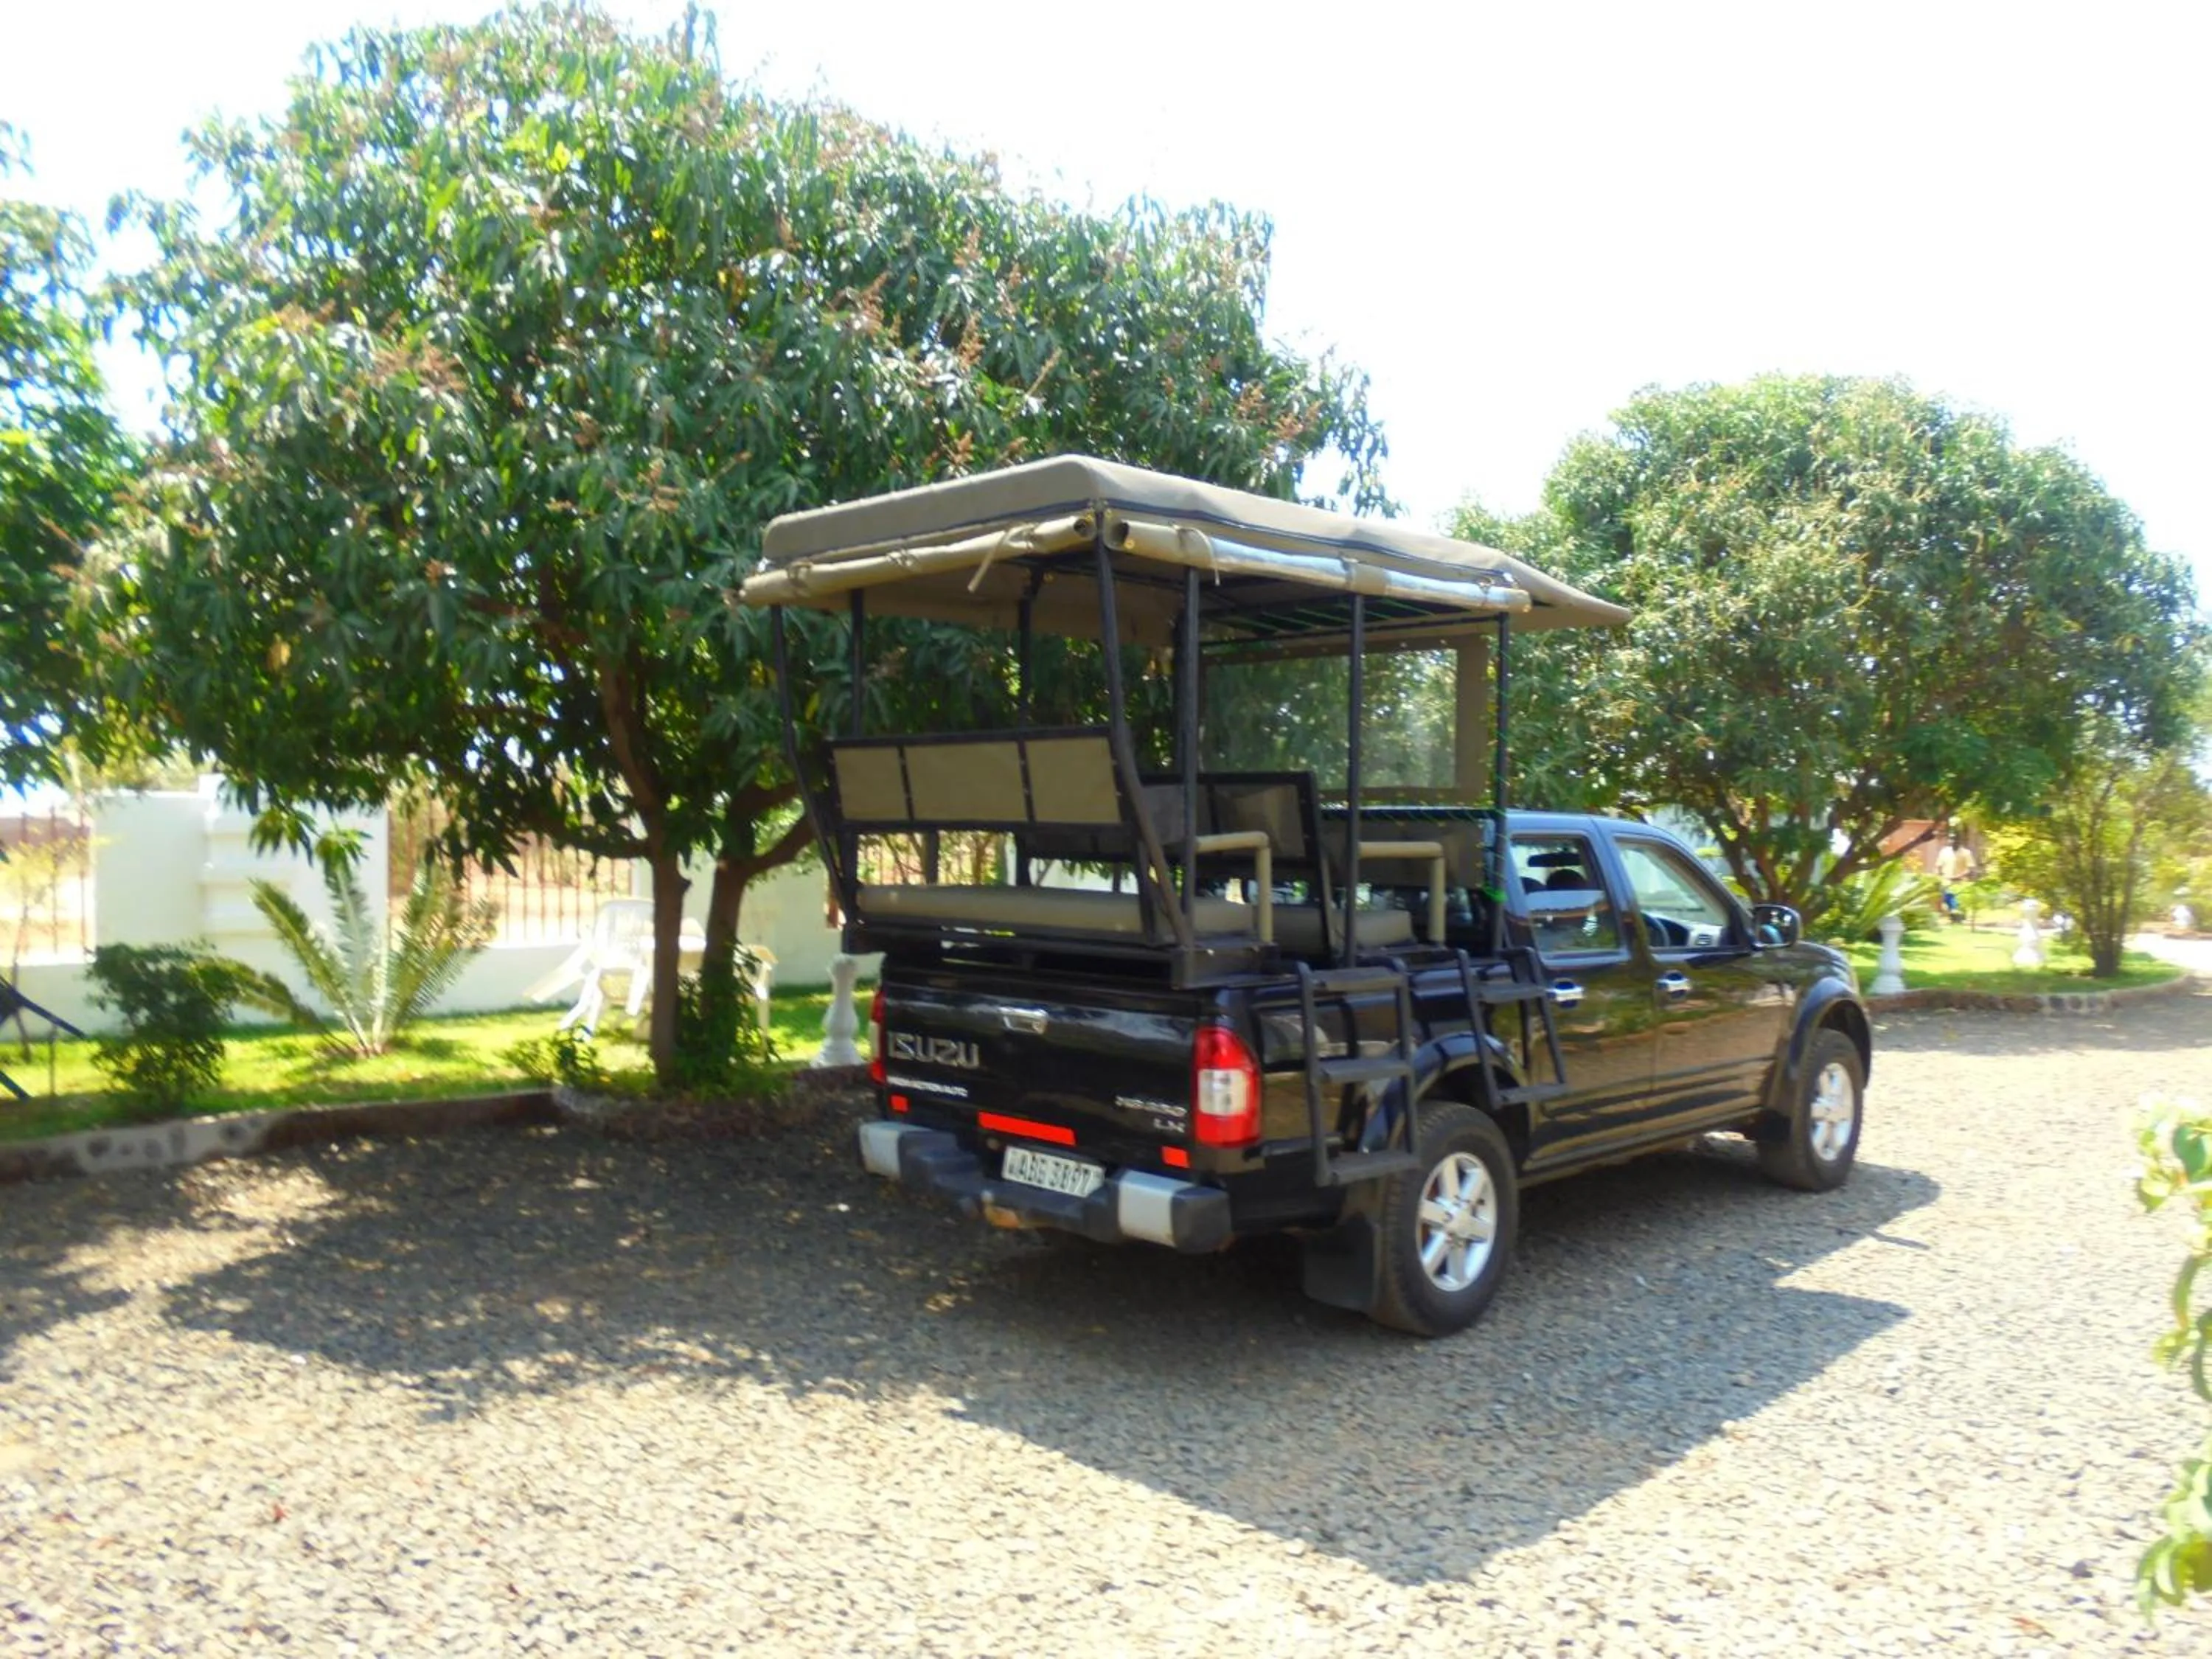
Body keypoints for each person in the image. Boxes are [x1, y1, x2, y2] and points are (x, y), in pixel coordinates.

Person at [1935, 832, 1975, 925]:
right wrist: (1937, 876)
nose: (1953, 841)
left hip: (1960, 883)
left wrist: (1958, 876)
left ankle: (1958, 919)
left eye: (1955, 839)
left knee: (1958, 902)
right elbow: (1938, 866)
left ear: (1960, 841)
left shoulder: (1966, 853)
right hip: (1946, 882)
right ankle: (1953, 918)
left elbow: (1970, 869)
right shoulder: (1944, 852)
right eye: (1951, 839)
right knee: (1948, 899)